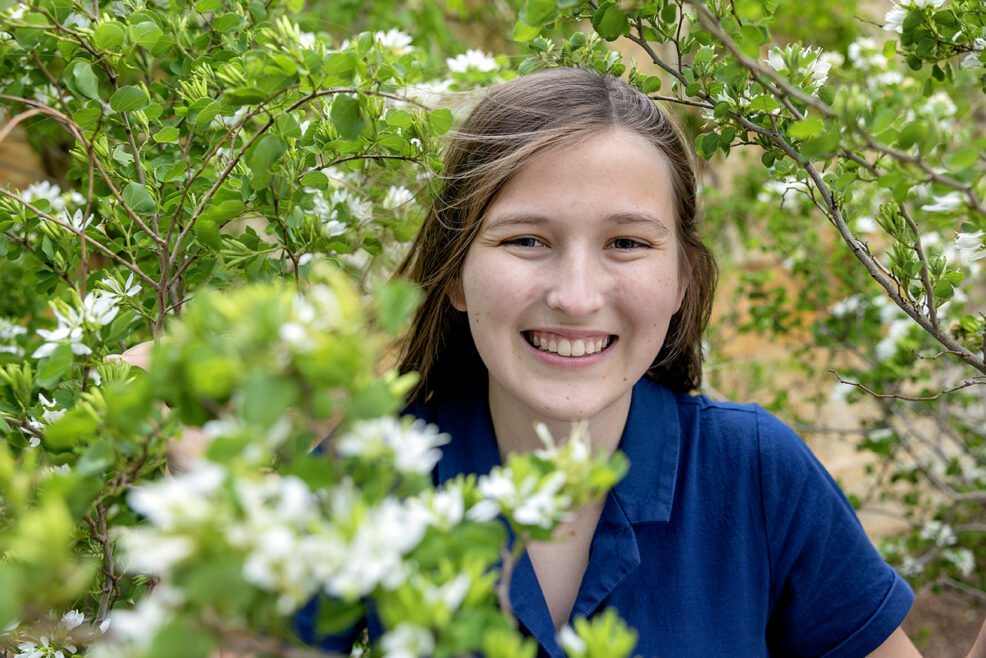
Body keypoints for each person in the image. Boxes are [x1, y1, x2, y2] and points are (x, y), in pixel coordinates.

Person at [348, 66, 920, 656]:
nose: (575, 297)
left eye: (626, 243)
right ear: (457, 276)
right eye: (526, 240)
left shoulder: (756, 473)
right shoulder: (371, 469)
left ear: (680, 281)